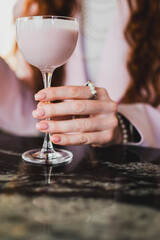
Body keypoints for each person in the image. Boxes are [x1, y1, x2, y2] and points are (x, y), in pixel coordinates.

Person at [1, 0, 160, 148]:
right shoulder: (37, 7)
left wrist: (126, 126)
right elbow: (31, 110)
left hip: (133, 165)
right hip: (70, 164)